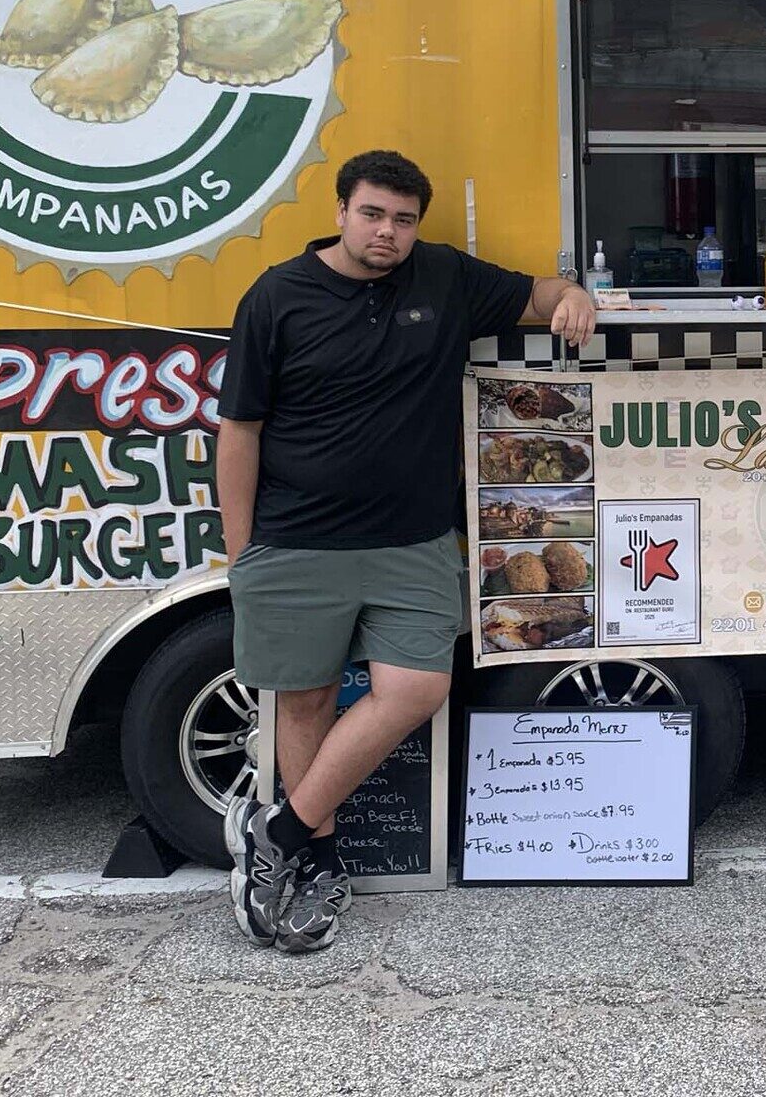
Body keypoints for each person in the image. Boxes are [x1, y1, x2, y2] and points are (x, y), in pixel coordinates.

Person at [216, 149, 596, 953]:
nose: (387, 232)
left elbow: (541, 293)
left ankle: (274, 833)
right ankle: (314, 858)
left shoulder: (444, 277)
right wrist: (241, 549)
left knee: (416, 687)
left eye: (403, 219)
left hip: (415, 540)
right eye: (372, 214)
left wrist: (575, 298)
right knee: (307, 698)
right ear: (342, 210)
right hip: (296, 541)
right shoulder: (278, 296)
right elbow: (239, 429)